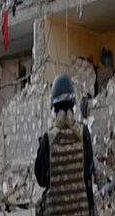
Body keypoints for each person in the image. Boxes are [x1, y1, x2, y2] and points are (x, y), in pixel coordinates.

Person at [35, 73, 96, 216]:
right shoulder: (83, 134)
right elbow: (89, 170)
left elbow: (41, 180)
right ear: (73, 107)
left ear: (54, 109)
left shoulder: (47, 140)